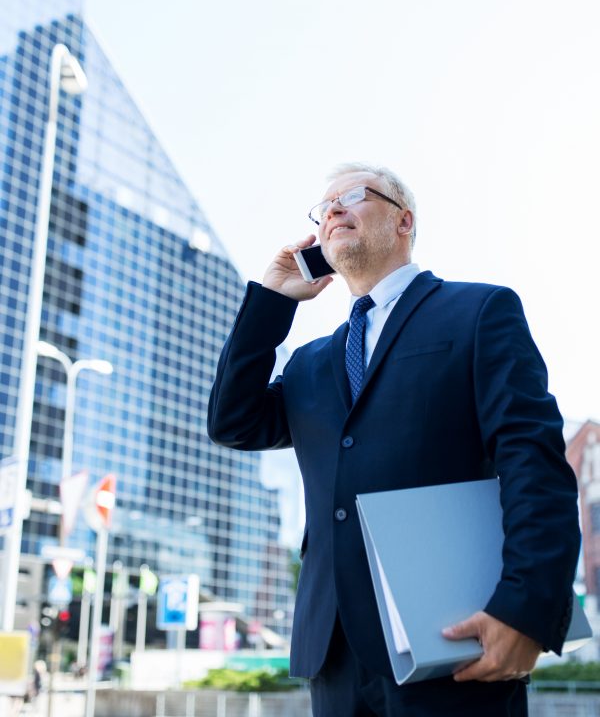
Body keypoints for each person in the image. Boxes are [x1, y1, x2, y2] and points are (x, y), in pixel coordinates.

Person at [208, 163, 580, 717]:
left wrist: (526, 609)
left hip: (454, 638)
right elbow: (231, 421)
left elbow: (534, 462)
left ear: (404, 220)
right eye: (323, 207)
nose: (332, 210)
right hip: (332, 651)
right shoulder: (311, 364)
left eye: (351, 196)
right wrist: (271, 301)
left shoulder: (479, 311)